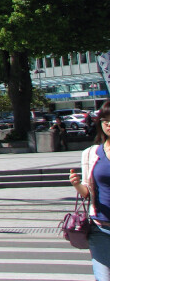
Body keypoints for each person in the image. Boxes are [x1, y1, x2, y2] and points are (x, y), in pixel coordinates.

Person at [69, 101, 110, 281]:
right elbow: (87, 192)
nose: (108, 124)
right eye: (105, 120)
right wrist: (77, 184)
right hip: (100, 228)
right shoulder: (91, 153)